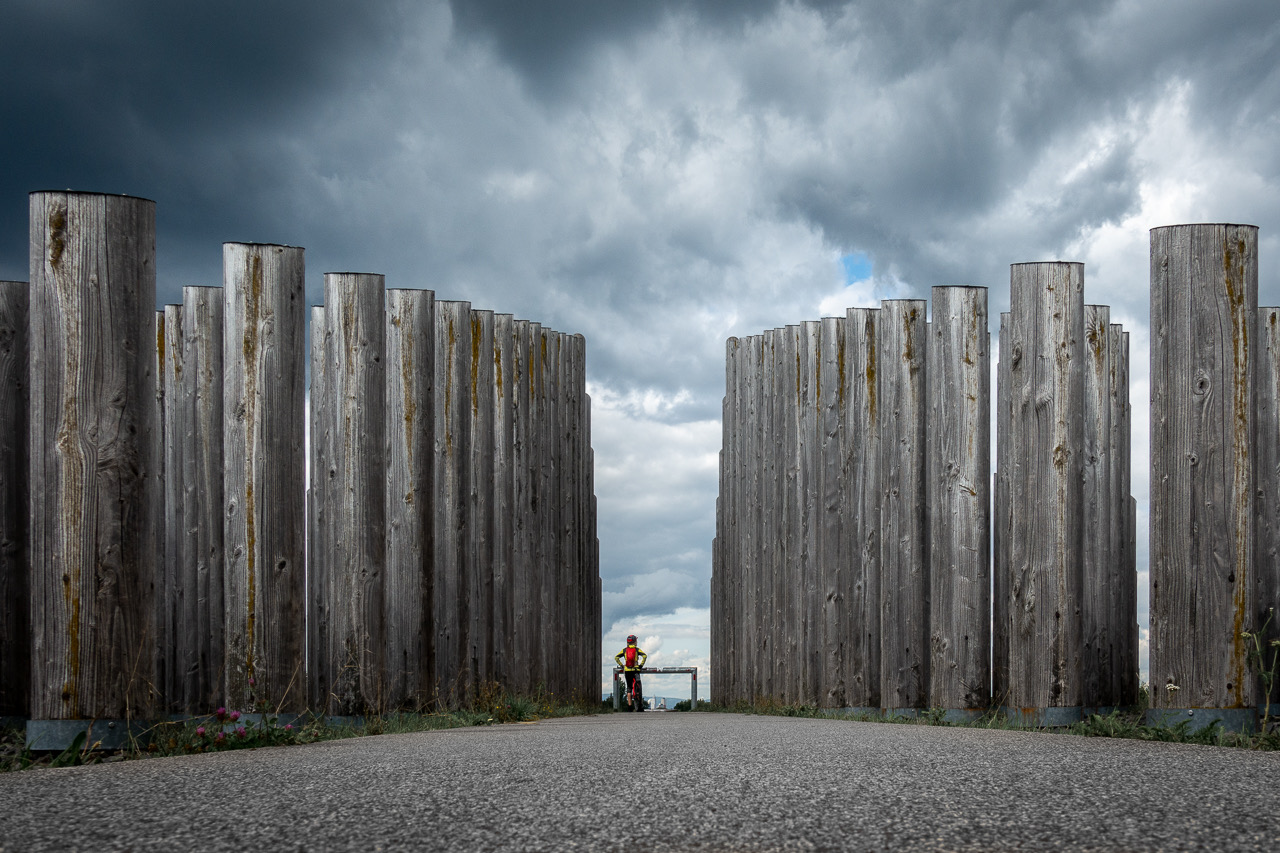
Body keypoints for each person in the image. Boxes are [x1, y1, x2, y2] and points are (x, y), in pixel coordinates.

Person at [614, 634, 648, 708]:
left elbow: (616, 657)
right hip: (636, 670)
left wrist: (622, 666)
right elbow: (645, 656)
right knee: (638, 684)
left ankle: (630, 706)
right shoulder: (637, 650)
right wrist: (641, 665)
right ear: (635, 641)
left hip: (627, 670)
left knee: (629, 687)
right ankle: (639, 702)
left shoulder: (624, 650)